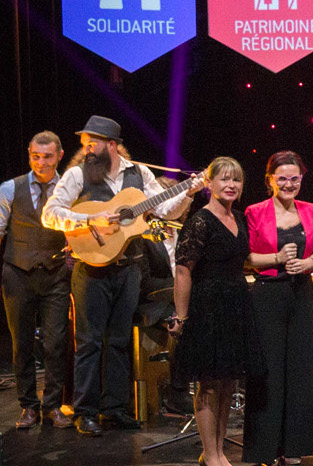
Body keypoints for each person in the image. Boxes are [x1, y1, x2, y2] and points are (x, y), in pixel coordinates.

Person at [42, 115, 198, 435]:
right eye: (85, 144)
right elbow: (50, 214)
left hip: (129, 269)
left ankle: (114, 409)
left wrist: (189, 193)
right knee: (89, 343)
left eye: (93, 143)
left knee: (118, 341)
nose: (87, 149)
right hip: (91, 268)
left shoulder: (139, 174)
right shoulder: (77, 174)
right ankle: (85, 411)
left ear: (112, 145)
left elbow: (164, 211)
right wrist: (91, 220)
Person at [166, 158, 251, 466]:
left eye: (236, 180)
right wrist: (181, 317)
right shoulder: (200, 221)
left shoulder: (238, 218)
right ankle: (209, 454)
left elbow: (244, 259)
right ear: (210, 184)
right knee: (210, 385)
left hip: (234, 305)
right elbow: (183, 270)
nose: (231, 185)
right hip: (207, 308)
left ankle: (218, 452)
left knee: (228, 384)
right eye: (224, 179)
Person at [241, 151, 313, 466]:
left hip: (302, 292)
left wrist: (310, 262)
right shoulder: (255, 211)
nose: (289, 184)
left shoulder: (312, 210)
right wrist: (276, 258)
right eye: (282, 179)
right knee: (268, 371)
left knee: (302, 369)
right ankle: (265, 449)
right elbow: (247, 257)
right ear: (270, 180)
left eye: (294, 178)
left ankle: (295, 446)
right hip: (267, 294)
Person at [2, 132, 74, 429]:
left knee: (55, 343)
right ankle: (28, 406)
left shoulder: (69, 188)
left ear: (59, 156)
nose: (41, 162)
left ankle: (53, 406)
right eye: (35, 156)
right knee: (21, 344)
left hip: (56, 274)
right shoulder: (10, 188)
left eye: (47, 157)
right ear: (29, 154)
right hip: (18, 274)